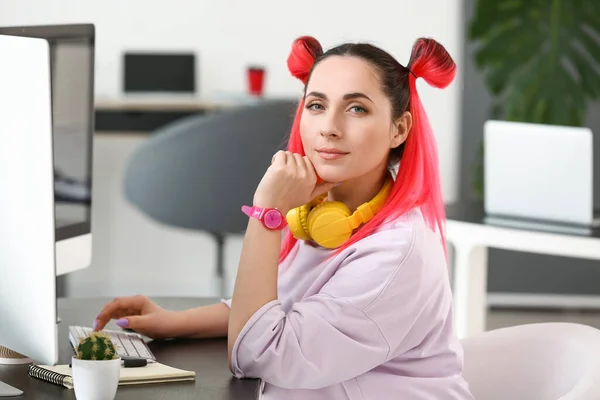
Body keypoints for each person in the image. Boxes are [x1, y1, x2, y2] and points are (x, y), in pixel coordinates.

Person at [94, 35, 474, 399]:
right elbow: (278, 304)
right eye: (316, 105)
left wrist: (266, 216)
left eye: (356, 108)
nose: (329, 127)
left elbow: (258, 356)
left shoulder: (397, 254)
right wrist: (174, 322)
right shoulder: (323, 214)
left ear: (399, 128)